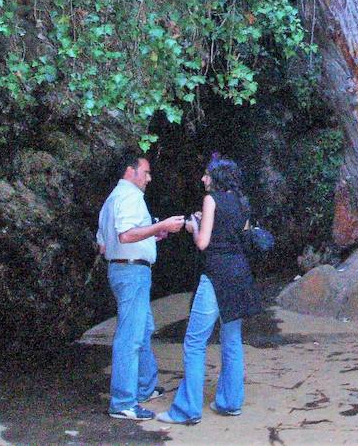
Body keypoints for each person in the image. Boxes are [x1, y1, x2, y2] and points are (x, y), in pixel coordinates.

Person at [157, 154, 262, 425]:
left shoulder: (211, 199)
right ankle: (230, 402)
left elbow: (203, 243)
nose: (203, 178)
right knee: (232, 339)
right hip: (239, 274)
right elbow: (236, 235)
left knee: (194, 342)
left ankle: (188, 410)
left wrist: (194, 226)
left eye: (206, 174)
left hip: (216, 276)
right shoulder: (242, 201)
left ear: (216, 177)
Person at [96, 152, 186, 421]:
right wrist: (162, 225)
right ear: (130, 171)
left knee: (143, 329)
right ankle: (123, 401)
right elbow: (125, 234)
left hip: (123, 268)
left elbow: (105, 243)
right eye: (145, 172)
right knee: (131, 337)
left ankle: (145, 388)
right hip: (131, 271)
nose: (149, 178)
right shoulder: (130, 196)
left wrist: (151, 236)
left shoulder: (112, 199)